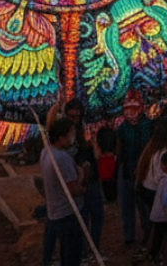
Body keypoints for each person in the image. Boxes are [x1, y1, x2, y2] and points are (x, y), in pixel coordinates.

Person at [59, 98, 103, 250]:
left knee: (97, 215)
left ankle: (93, 247)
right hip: (77, 180)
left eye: (78, 116)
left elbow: (97, 154)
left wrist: (93, 142)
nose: (75, 120)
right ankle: (84, 250)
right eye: (72, 116)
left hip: (91, 177)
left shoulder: (86, 129)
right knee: (81, 218)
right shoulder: (64, 134)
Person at [41, 121, 84, 266]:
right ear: (61, 138)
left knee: (66, 254)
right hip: (67, 214)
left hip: (56, 213)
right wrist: (83, 176)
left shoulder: (46, 151)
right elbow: (73, 189)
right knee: (72, 255)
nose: (72, 138)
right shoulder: (62, 158)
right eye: (70, 135)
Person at [116, 90, 153, 247]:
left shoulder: (148, 125)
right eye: (128, 109)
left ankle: (148, 233)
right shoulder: (122, 127)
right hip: (126, 169)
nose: (131, 113)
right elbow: (119, 147)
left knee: (144, 204)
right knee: (126, 205)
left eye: (134, 108)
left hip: (143, 170)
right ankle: (129, 236)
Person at [136, 119, 167, 259]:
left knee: (159, 225)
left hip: (145, 190)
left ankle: (154, 251)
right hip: (157, 192)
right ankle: (161, 254)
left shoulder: (151, 149)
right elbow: (163, 177)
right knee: (166, 227)